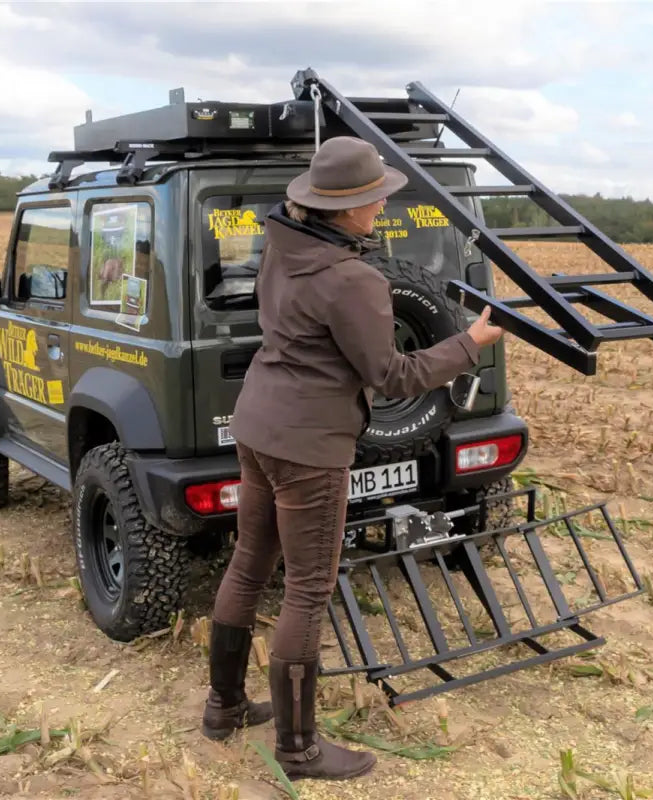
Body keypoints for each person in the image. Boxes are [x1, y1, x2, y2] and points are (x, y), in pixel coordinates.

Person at [200, 136, 504, 780]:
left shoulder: (281, 247)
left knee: (249, 563)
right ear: (343, 208)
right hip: (308, 447)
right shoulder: (353, 279)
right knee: (308, 589)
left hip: (257, 425)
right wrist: (469, 343)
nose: (383, 207)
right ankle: (298, 750)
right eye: (375, 198)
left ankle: (223, 707)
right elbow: (392, 374)